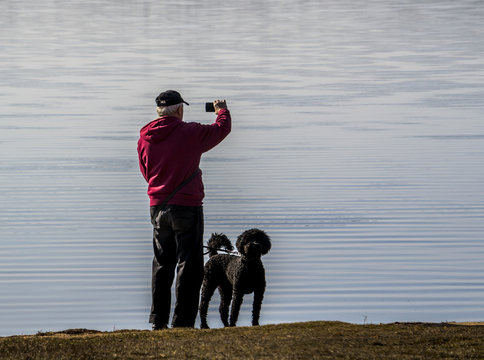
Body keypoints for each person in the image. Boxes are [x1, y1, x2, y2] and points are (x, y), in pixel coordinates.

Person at [137, 90, 231, 329]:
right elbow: (221, 130)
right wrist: (222, 111)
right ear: (179, 109)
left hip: (158, 206)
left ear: (159, 111)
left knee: (162, 263)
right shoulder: (190, 132)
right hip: (187, 206)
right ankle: (183, 322)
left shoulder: (145, 137)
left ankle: (158, 320)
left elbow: (146, 171)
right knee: (189, 265)